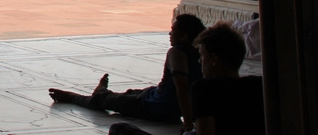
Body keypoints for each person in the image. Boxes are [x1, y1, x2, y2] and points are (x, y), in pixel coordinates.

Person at [49, 13, 205, 126]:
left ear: (184, 36)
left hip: (156, 107)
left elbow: (182, 89)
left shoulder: (176, 53)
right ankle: (102, 92)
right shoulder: (201, 52)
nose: (170, 33)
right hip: (157, 98)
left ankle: (72, 96)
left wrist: (189, 123)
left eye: (173, 30)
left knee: (105, 100)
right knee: (131, 93)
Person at [108, 23, 264, 135]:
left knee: (119, 129)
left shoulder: (204, 89)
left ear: (214, 59)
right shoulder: (258, 85)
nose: (199, 62)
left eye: (202, 56)